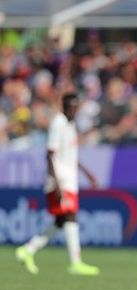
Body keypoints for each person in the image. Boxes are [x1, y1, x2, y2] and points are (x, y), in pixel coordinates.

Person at [15, 93, 100, 276]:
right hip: (60, 179)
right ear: (65, 107)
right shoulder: (59, 123)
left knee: (61, 221)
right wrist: (56, 182)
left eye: (76, 107)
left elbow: (71, 155)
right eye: (71, 107)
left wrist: (88, 173)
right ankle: (75, 262)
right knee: (70, 216)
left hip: (69, 178)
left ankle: (28, 250)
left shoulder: (70, 124)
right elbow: (50, 154)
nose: (74, 110)